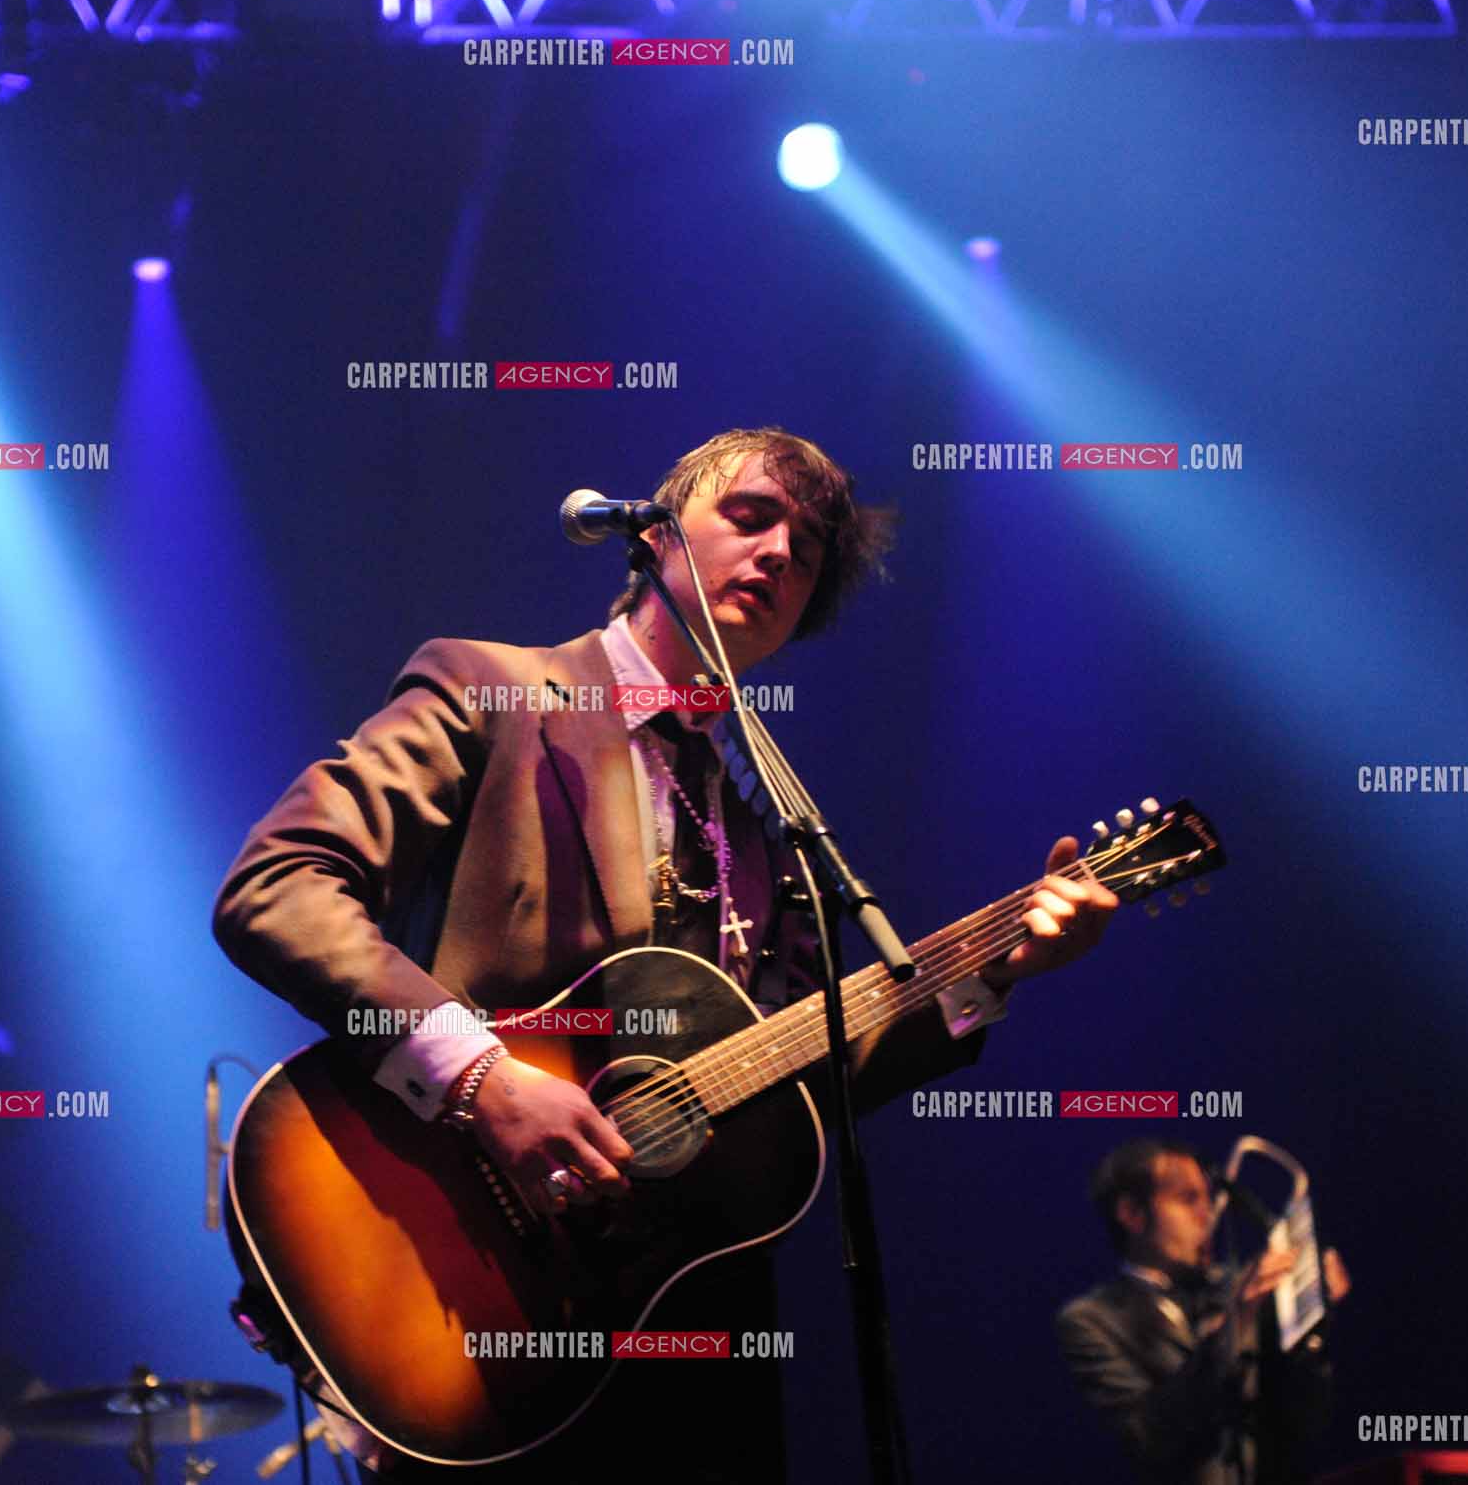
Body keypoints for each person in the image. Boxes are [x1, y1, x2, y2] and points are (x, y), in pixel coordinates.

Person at [212, 427, 1120, 1482]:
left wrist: (991, 968)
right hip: (461, 1288)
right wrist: (481, 1079)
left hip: (680, 1332)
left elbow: (801, 1075)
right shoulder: (493, 692)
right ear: (651, 538)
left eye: (811, 547)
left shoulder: (766, 822)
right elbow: (276, 886)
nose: (781, 553)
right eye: (749, 516)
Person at [1056, 1139, 1350, 1484]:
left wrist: (1310, 1316)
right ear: (1132, 1214)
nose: (1207, 1214)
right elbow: (1149, 1439)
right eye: (1187, 1199)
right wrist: (1236, 1322)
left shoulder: (1235, 1290)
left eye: (1208, 1198)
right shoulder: (1093, 1320)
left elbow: (1303, 1422)